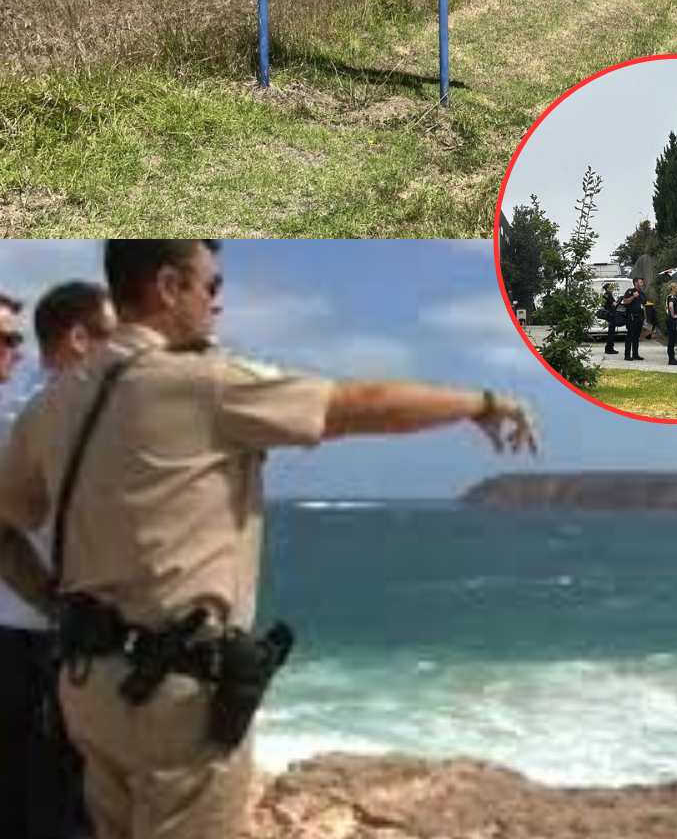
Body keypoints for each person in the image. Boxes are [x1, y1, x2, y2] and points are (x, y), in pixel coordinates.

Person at [0, 240, 537, 839]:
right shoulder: (203, 384)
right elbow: (360, 405)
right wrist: (481, 402)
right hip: (174, 699)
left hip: (88, 683)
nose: (218, 305)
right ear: (169, 287)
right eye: (212, 287)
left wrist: (54, 604)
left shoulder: (53, 404)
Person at [0, 282, 116, 839]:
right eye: (3, 340)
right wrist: (59, 606)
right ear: (79, 340)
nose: (14, 352)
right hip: (35, 639)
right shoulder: (34, 424)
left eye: (15, 340)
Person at [620, 278, 646, 361]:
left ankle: (635, 354)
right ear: (636, 283)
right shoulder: (630, 291)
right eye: (641, 282)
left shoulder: (642, 293)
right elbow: (625, 301)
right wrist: (633, 297)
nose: (642, 284)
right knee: (630, 336)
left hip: (640, 316)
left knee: (637, 336)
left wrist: (645, 317)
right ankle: (627, 355)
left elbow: (643, 306)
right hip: (632, 317)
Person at [665, 282, 677, 366]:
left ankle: (672, 358)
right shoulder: (671, 297)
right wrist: (673, 315)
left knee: (673, 339)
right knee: (672, 339)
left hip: (671, 319)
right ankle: (671, 358)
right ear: (673, 288)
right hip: (672, 320)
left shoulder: (674, 297)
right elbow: (670, 306)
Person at [601, 283, 618, 355]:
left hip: (608, 314)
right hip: (611, 314)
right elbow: (615, 304)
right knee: (611, 331)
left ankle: (608, 347)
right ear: (607, 289)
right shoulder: (609, 295)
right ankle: (609, 348)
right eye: (611, 287)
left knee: (611, 331)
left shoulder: (605, 295)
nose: (613, 288)